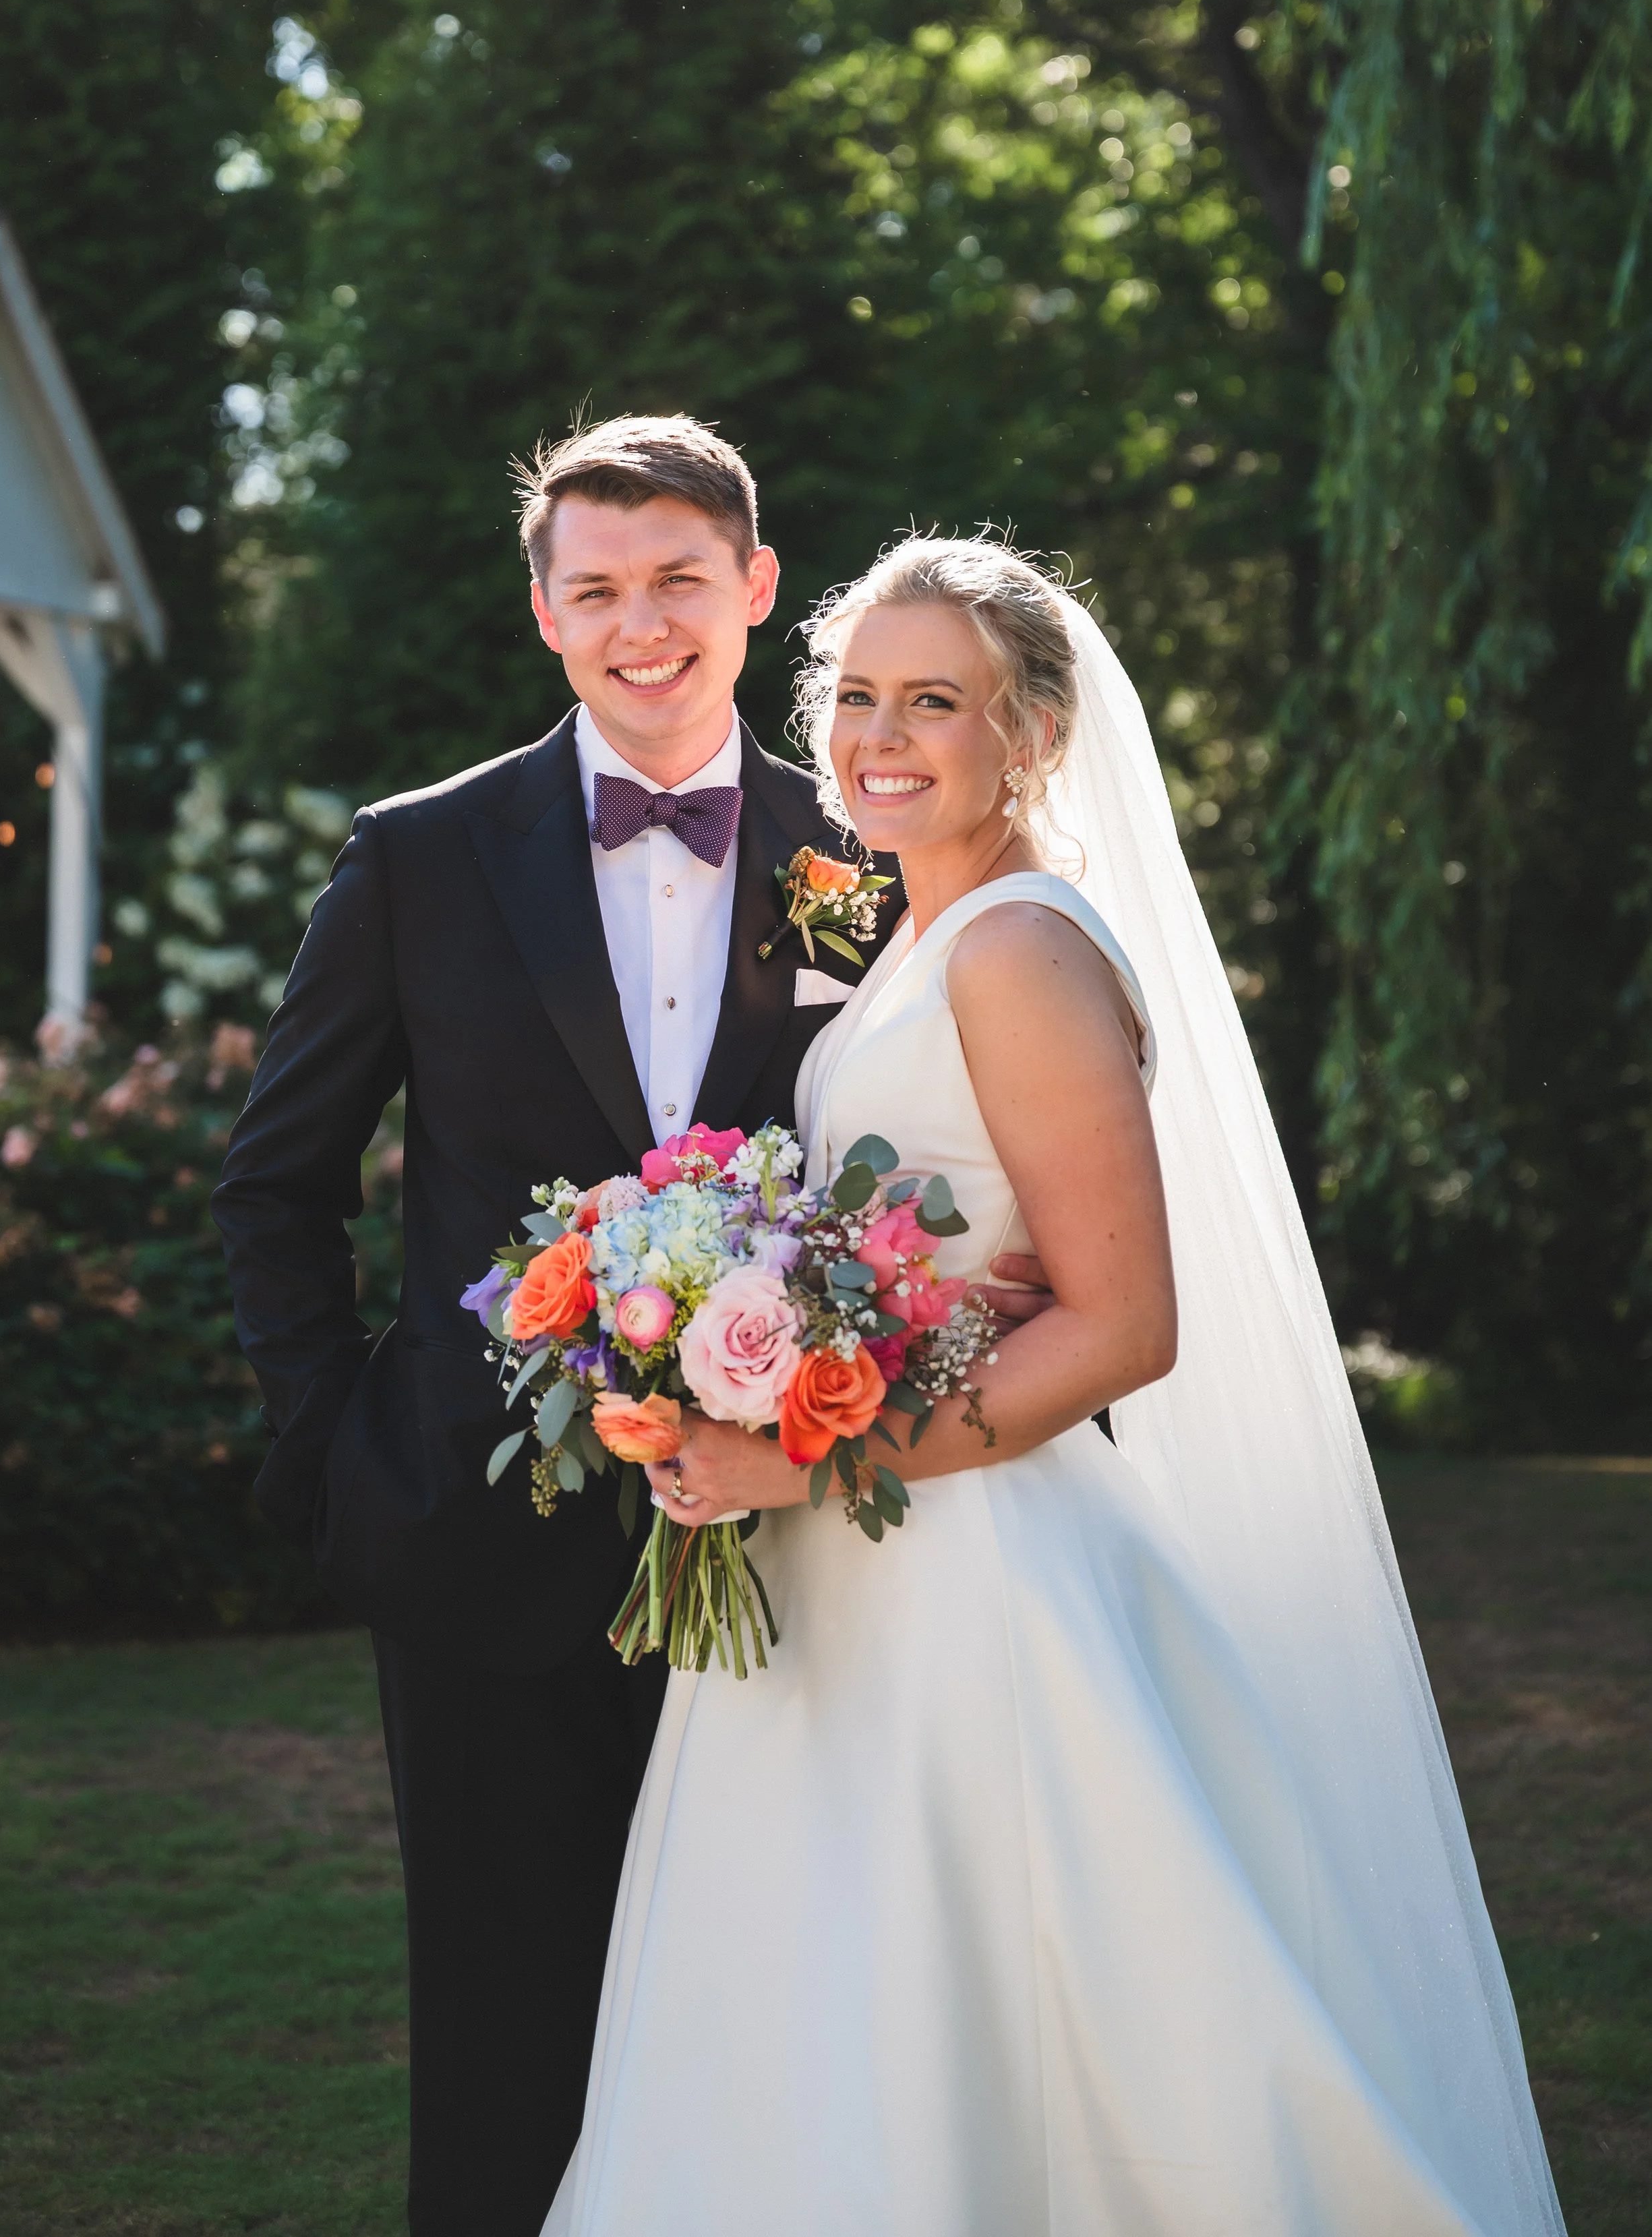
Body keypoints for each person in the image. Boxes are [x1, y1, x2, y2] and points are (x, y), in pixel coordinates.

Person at [543, 539, 1565, 2237]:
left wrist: (806, 1460)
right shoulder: (925, 931)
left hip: (970, 1575)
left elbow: (1121, 1325)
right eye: (857, 695)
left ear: (1028, 734)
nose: (878, 737)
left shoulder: (1013, 952)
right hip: (871, 1557)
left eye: (932, 702)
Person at [211, 418, 1055, 2236]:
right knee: (503, 2037)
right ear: (544, 614)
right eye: (595, 589)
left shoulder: (863, 846)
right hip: (478, 1534)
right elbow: (274, 1182)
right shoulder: (422, 857)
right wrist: (332, 1454)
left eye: (679, 577)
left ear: (755, 588)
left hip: (803, 1542)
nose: (640, 623)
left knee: (773, 2028)